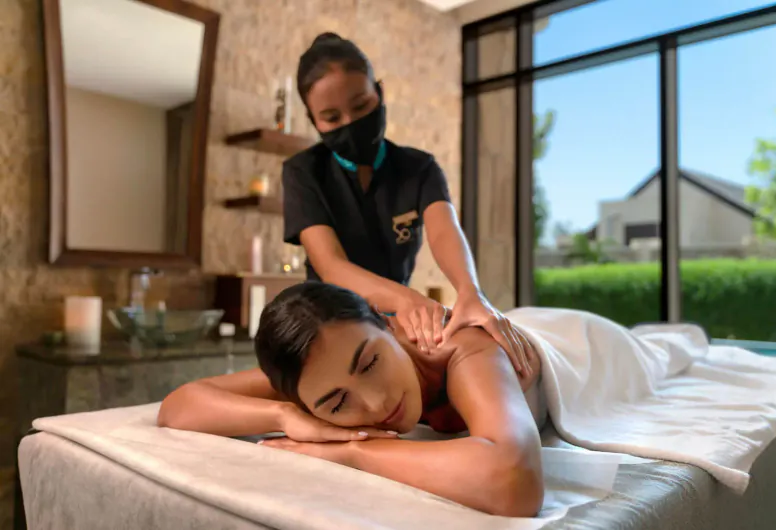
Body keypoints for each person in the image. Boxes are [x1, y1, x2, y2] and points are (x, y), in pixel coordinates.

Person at [158, 282, 545, 517]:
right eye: (337, 404)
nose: (376, 405)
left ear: (386, 322)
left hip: (563, 337)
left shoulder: (458, 345)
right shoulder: (318, 372)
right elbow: (179, 405)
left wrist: (353, 452)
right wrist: (284, 415)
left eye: (371, 363)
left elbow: (514, 481)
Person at [283, 32, 536, 381]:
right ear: (313, 121)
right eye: (331, 117)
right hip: (325, 326)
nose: (349, 123)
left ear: (380, 93)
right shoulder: (303, 172)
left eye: (361, 106)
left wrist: (470, 292)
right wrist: (409, 301)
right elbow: (332, 266)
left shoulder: (419, 168)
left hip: (395, 322)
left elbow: (444, 230)